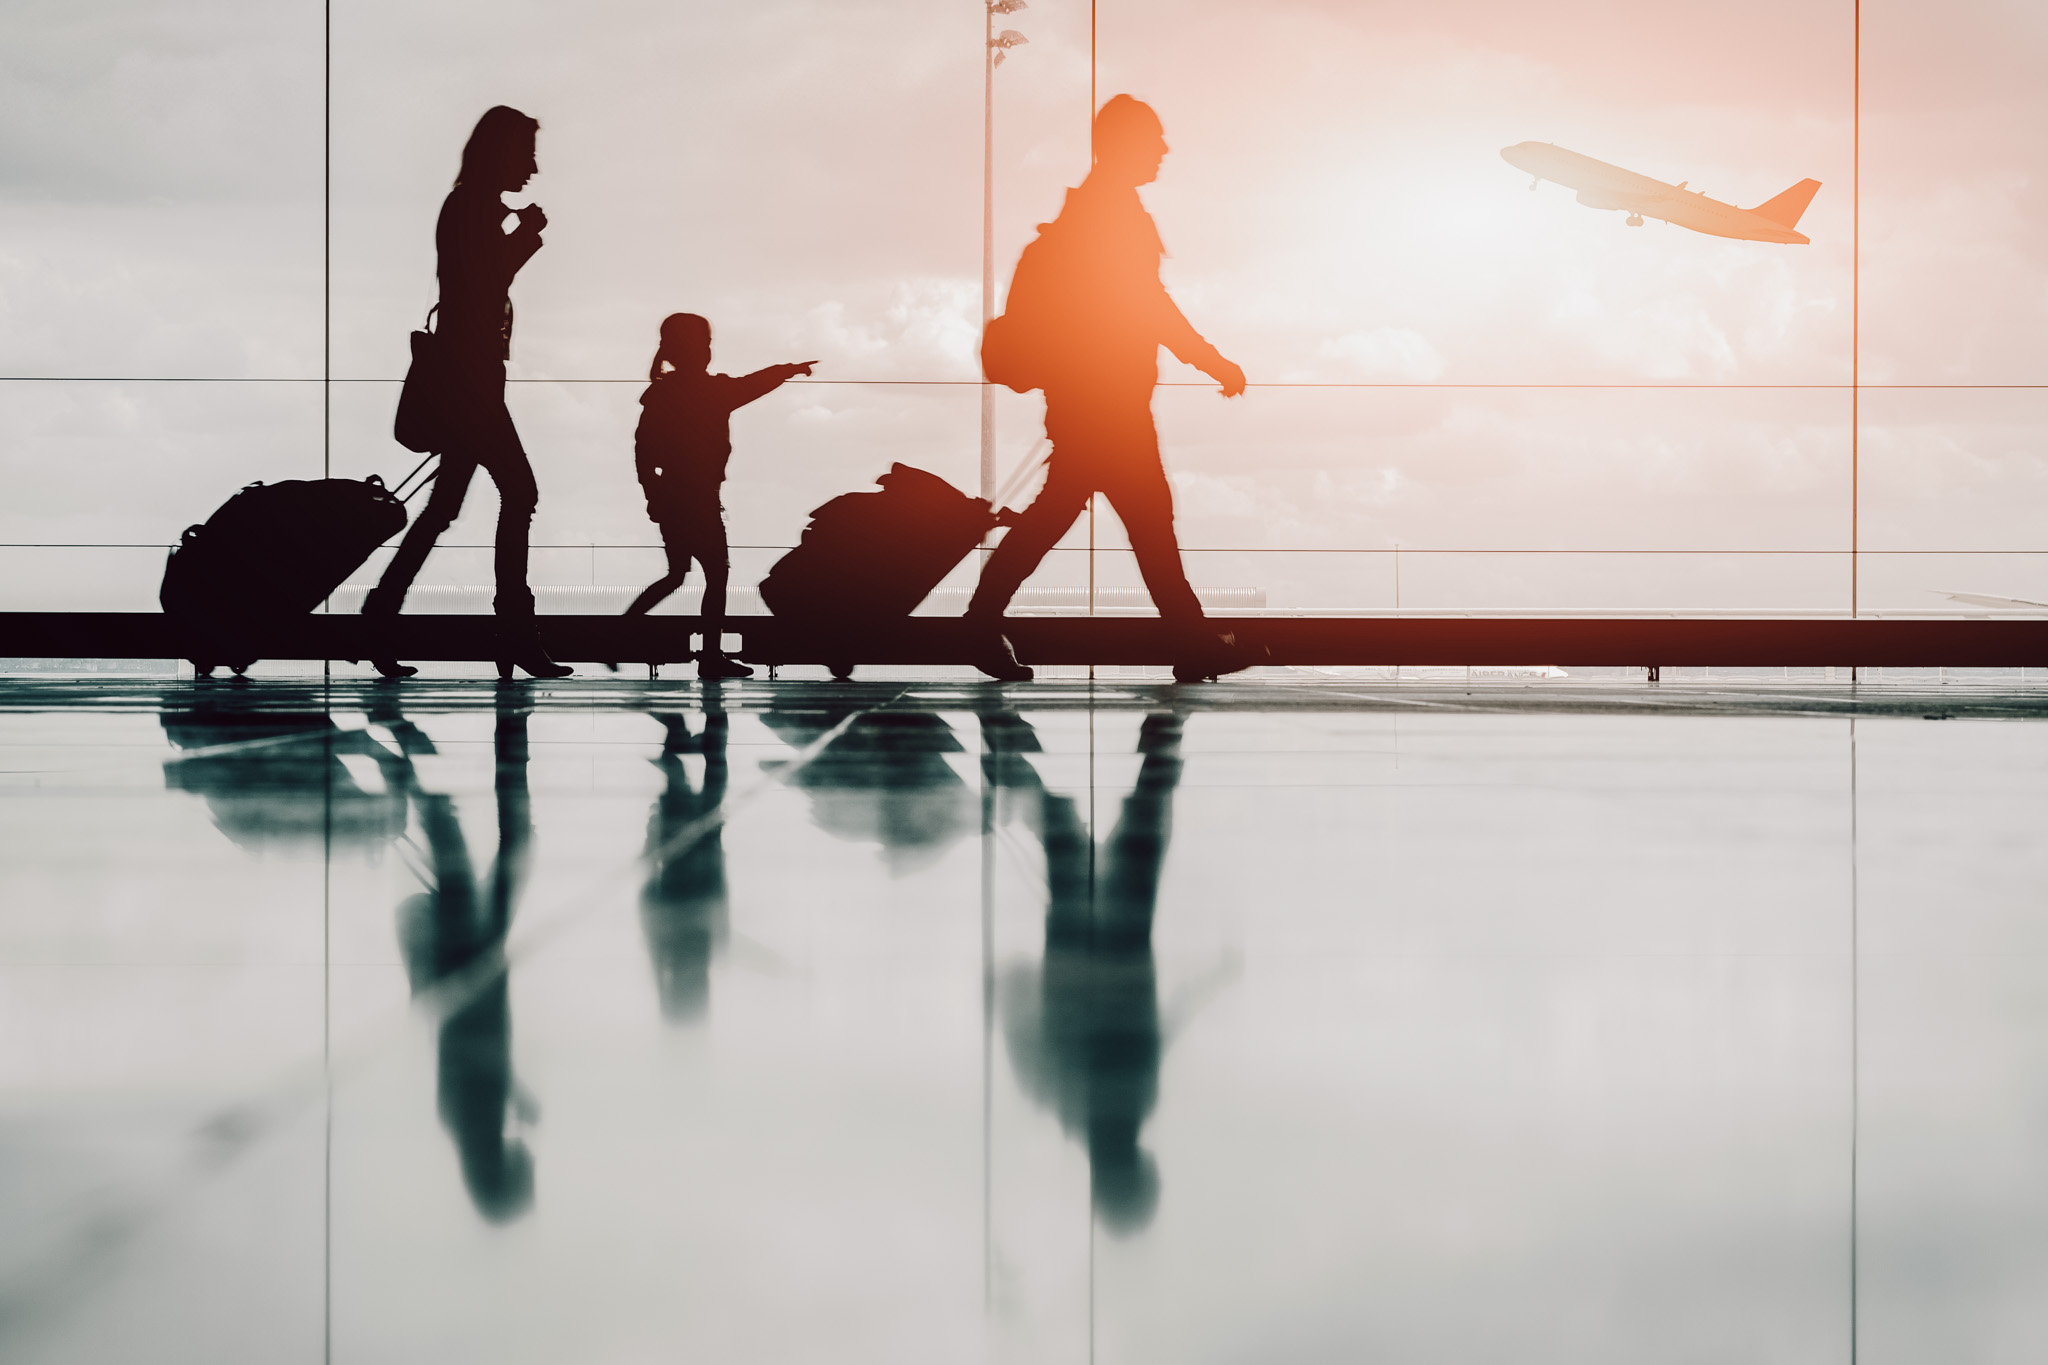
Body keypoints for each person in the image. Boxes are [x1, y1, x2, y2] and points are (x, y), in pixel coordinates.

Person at [969, 96, 1250, 684]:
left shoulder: (1094, 212)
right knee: (1144, 520)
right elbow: (1148, 306)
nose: (1164, 151)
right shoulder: (1113, 215)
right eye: (1154, 141)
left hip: (1089, 398)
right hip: (1107, 403)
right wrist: (1210, 359)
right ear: (1121, 145)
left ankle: (981, 621)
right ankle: (1190, 641)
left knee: (1081, 516)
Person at [364, 105, 571, 681]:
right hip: (471, 383)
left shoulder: (471, 207)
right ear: (500, 152)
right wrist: (527, 234)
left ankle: (380, 618)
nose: (533, 166)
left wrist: (518, 232)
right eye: (526, 152)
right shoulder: (473, 208)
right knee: (520, 493)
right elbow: (482, 285)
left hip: (469, 380)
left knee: (443, 509)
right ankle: (515, 633)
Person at [618, 312, 814, 679]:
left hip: (671, 494)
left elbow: (642, 450)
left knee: (678, 574)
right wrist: (789, 369)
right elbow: (753, 384)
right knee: (716, 574)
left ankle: (621, 630)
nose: (708, 350)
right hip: (698, 499)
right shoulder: (711, 391)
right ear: (697, 350)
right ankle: (709, 656)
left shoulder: (662, 393)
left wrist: (652, 495)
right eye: (705, 344)